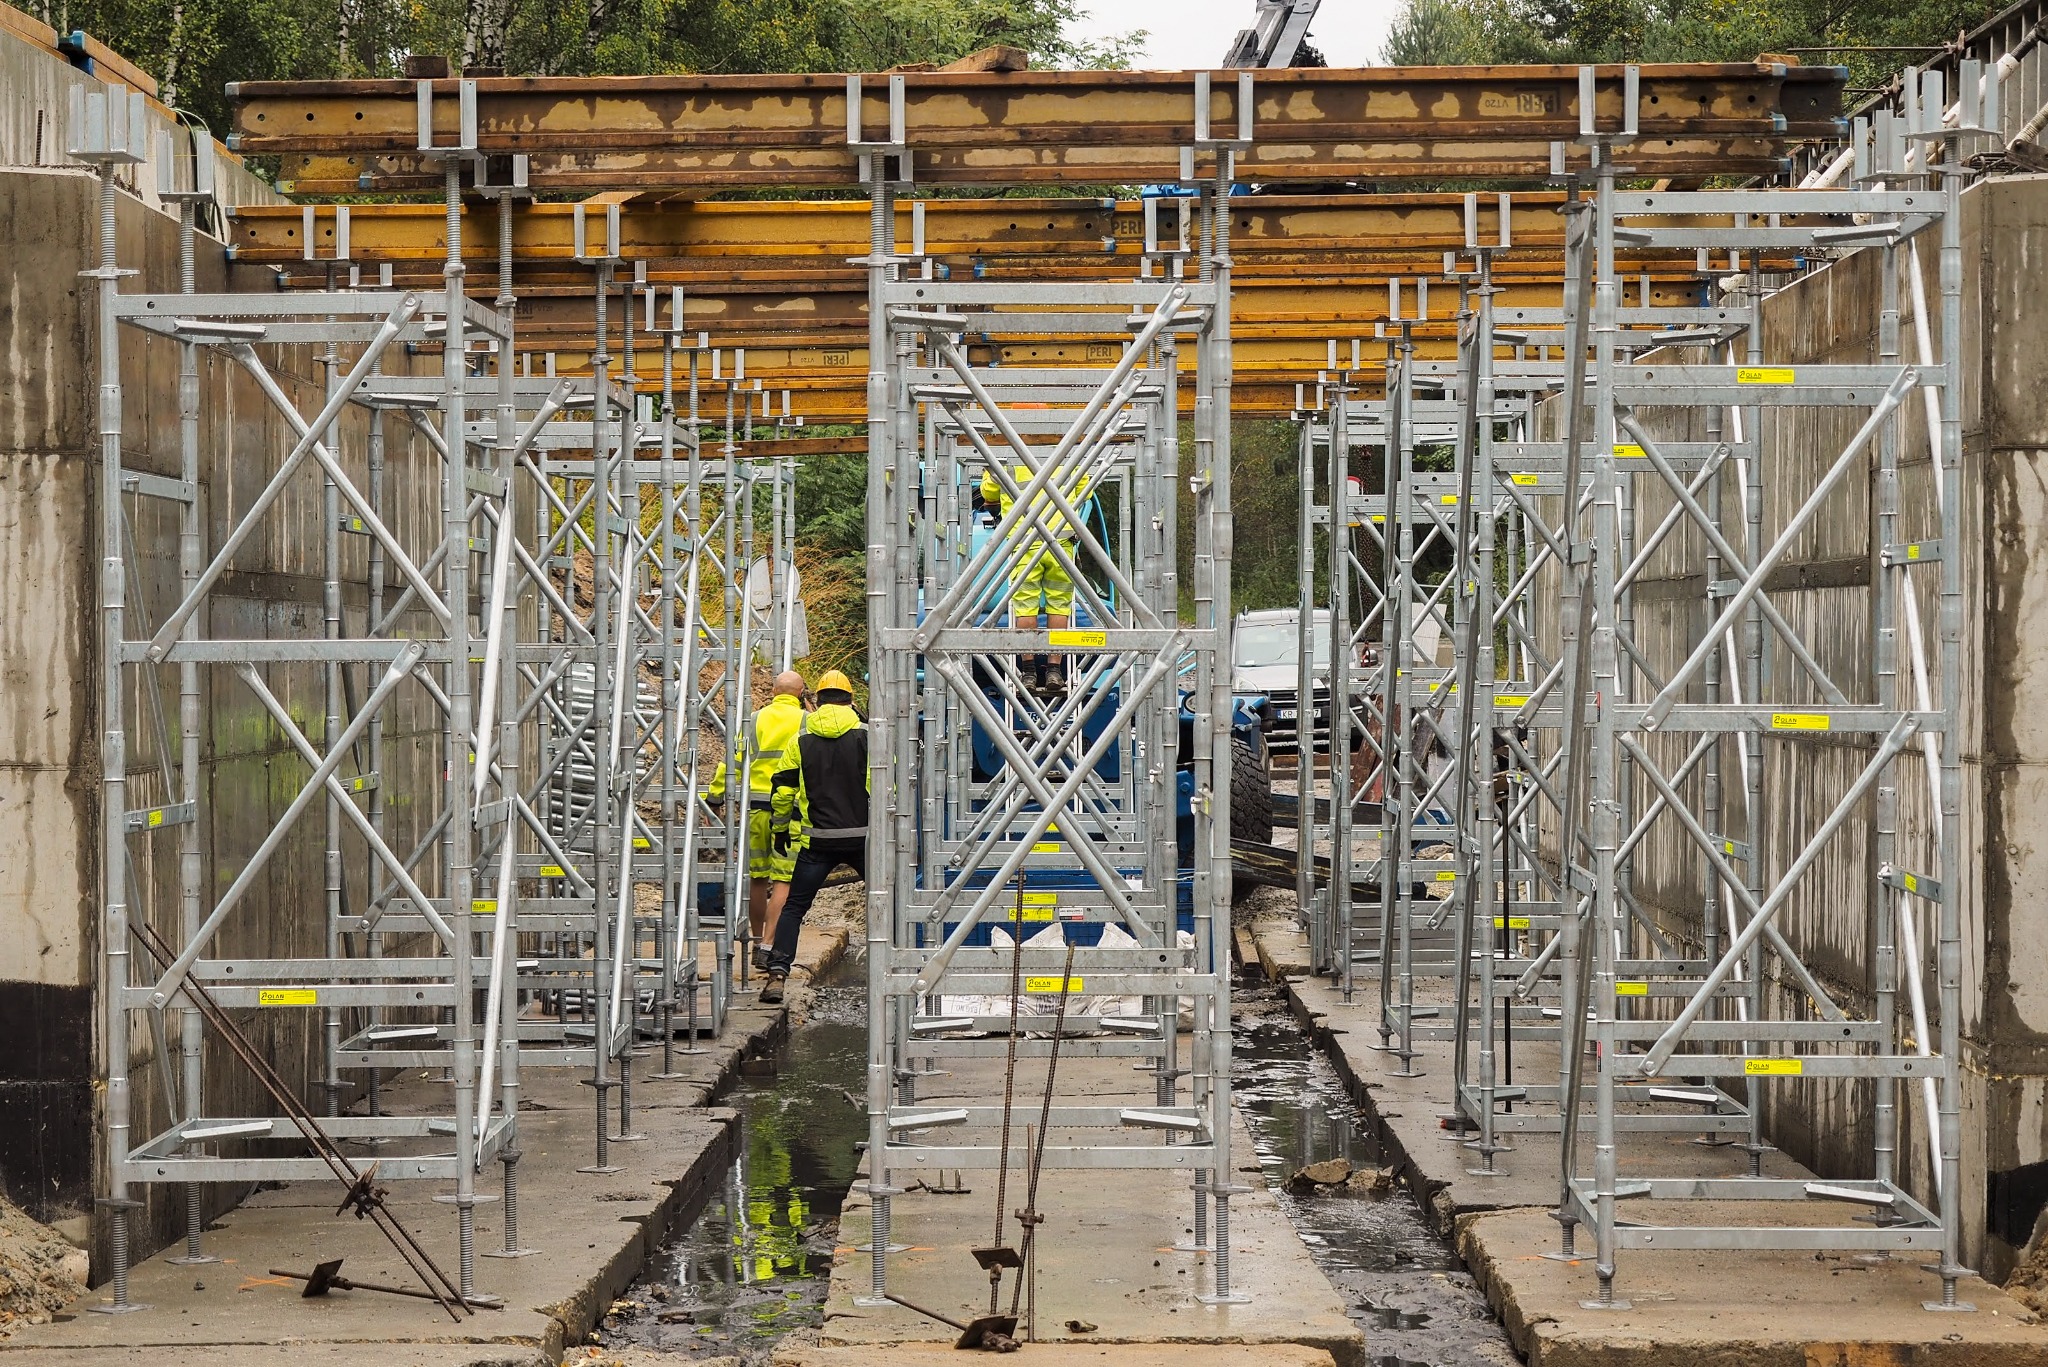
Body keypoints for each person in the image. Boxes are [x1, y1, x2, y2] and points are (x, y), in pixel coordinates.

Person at [759, 669, 868, 1004]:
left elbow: (782, 793)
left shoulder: (801, 741)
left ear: (816, 700)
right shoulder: (869, 737)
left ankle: (777, 976)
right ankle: (900, 970)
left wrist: (779, 831)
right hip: (862, 839)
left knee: (795, 907)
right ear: (851, 700)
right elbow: (887, 790)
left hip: (817, 841)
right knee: (887, 904)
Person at [708, 670, 808, 971]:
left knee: (758, 878)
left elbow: (733, 761)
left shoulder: (754, 719)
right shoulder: (805, 721)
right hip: (788, 810)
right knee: (784, 880)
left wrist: (715, 795)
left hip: (755, 808)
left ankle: (753, 940)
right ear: (801, 693)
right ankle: (768, 945)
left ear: (774, 691)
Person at [980, 458, 1092, 695]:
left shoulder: (1005, 450)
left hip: (1024, 542)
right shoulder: (1067, 448)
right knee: (1060, 606)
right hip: (1061, 540)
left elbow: (989, 491)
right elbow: (1085, 489)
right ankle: (1054, 670)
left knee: (1025, 607)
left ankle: (1029, 671)